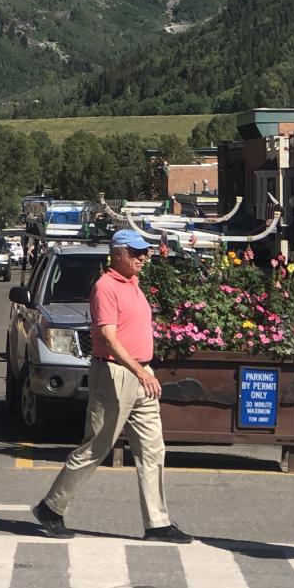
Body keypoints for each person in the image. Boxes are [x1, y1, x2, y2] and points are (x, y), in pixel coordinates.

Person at [32, 228, 193, 544]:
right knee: (97, 445)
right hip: (116, 373)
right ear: (117, 254)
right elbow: (107, 336)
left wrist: (145, 368)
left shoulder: (134, 285)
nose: (142, 258)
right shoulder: (105, 287)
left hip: (139, 373)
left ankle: (157, 523)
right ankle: (51, 507)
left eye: (144, 252)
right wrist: (139, 371)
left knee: (152, 448)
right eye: (135, 253)